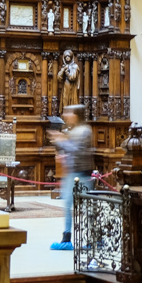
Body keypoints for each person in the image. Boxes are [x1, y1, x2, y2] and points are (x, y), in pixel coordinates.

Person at [47, 104, 94, 251]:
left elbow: (77, 150)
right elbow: (71, 151)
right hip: (72, 173)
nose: (66, 115)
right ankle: (66, 239)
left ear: (77, 115)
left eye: (69, 112)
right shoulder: (73, 130)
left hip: (82, 174)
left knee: (87, 208)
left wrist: (61, 140)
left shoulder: (85, 130)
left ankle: (93, 239)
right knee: (67, 205)